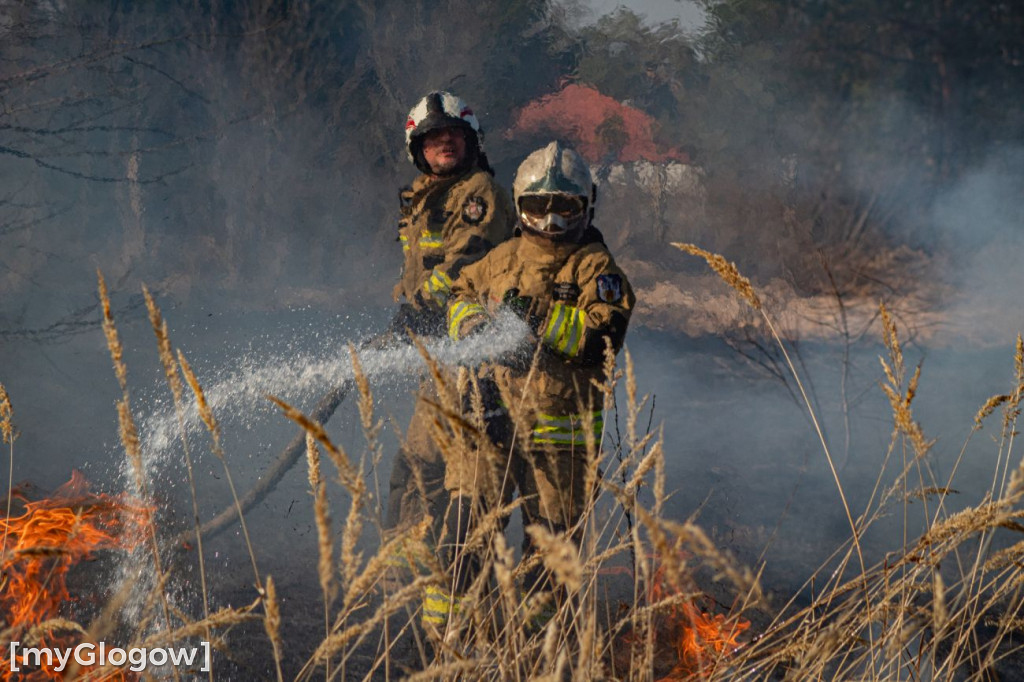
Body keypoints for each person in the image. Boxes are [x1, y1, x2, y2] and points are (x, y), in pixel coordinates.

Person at [436, 140, 634, 630]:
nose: (551, 220)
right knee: (461, 540)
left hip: (561, 446)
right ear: (520, 204)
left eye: (565, 207)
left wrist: (538, 319)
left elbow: (602, 337)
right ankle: (447, 643)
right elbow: (459, 295)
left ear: (586, 205)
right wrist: (471, 326)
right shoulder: (500, 259)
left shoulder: (596, 268)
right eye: (539, 206)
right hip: (490, 426)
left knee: (548, 565)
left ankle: (534, 652)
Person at [382, 91, 515, 577]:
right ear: (417, 148)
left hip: (472, 354)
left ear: (471, 140)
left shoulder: (478, 195)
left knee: (434, 468)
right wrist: (407, 312)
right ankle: (411, 573)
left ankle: (431, 575)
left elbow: (466, 265)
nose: (445, 143)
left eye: (454, 135)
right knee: (419, 465)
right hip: (439, 352)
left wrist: (418, 309)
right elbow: (418, 268)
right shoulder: (423, 198)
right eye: (434, 137)